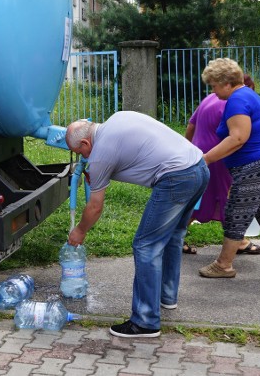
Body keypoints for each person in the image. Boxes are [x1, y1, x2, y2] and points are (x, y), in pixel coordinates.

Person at [66, 111, 210, 338]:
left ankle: (145, 321)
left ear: (85, 142)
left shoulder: (101, 152)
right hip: (199, 167)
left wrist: (80, 231)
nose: (83, 158)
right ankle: (166, 297)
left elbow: (95, 207)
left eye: (80, 152)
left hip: (176, 177)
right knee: (173, 237)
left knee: (145, 246)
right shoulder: (116, 119)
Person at [197, 58, 260, 281]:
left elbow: (237, 138)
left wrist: (204, 159)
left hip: (254, 166)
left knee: (236, 214)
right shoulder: (247, 95)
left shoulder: (237, 99)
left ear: (226, 82)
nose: (213, 91)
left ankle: (223, 265)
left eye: (214, 85)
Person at [182, 74, 260, 256]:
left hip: (199, 153)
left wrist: (188, 149)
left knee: (199, 198)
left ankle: (175, 237)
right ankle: (240, 241)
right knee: (228, 198)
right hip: (219, 156)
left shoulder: (210, 97)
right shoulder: (232, 104)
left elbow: (191, 125)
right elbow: (238, 136)